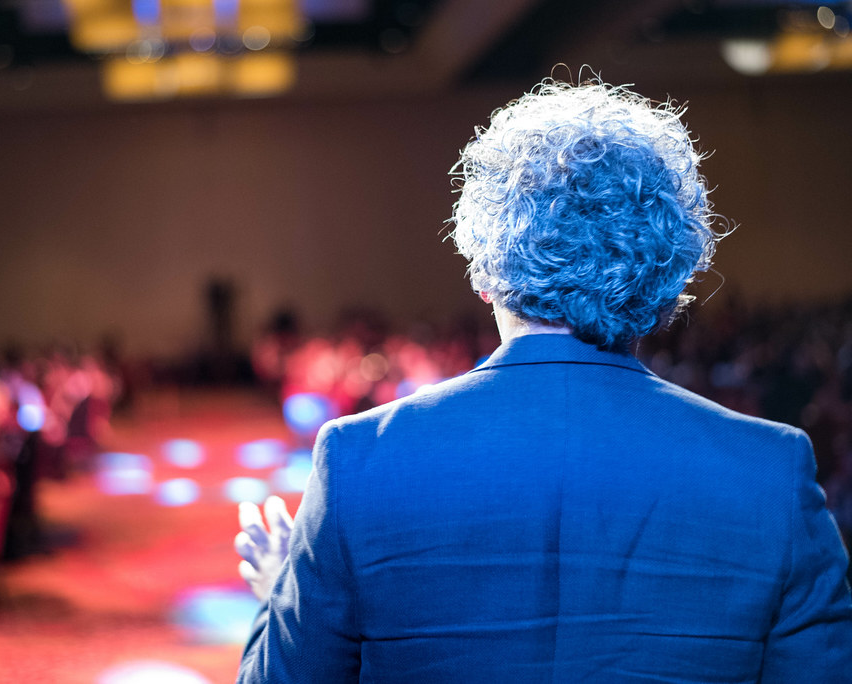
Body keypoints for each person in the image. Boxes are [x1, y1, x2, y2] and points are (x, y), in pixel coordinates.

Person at [233, 79, 852, 682]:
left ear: (485, 275)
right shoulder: (770, 471)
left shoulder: (360, 463)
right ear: (666, 286)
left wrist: (279, 598)